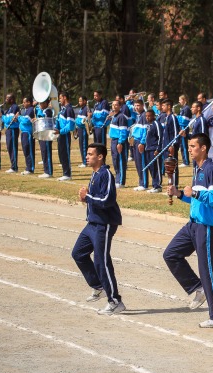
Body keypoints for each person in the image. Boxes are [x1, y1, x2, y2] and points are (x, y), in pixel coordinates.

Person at [163, 133, 213, 328]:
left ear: (203, 148)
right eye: (189, 146)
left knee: (206, 270)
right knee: (171, 254)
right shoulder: (197, 169)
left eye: (192, 146)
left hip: (207, 227)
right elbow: (195, 198)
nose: (189, 149)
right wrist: (180, 194)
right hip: (192, 224)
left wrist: (196, 192)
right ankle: (196, 287)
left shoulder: (211, 169)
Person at [72, 142, 125, 315]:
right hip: (92, 223)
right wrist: (87, 197)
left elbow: (107, 200)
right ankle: (98, 286)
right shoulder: (94, 174)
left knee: (101, 261)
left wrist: (87, 197)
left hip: (105, 224)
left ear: (100, 157)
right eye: (87, 154)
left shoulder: (105, 174)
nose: (86, 157)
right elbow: (96, 198)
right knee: (78, 253)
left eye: (90, 154)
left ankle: (115, 301)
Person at [107, 99, 130, 188]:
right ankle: (117, 179)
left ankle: (121, 181)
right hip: (113, 140)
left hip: (118, 141)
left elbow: (123, 131)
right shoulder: (113, 116)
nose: (114, 106)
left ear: (120, 106)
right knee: (115, 160)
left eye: (116, 105)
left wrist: (120, 142)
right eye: (113, 104)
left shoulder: (121, 117)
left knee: (120, 161)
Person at [56, 92, 76, 181]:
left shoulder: (69, 109)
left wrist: (61, 131)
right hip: (60, 134)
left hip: (65, 135)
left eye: (60, 98)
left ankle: (67, 174)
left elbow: (70, 125)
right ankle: (64, 173)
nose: (59, 100)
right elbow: (59, 121)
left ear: (64, 98)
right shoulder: (62, 109)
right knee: (61, 154)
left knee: (65, 154)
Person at [36, 100, 54, 178]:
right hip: (42, 133)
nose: (40, 105)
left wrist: (37, 117)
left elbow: (45, 119)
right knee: (43, 152)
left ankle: (49, 171)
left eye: (41, 103)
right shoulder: (42, 110)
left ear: (46, 104)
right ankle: (46, 170)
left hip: (46, 134)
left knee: (47, 152)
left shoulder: (48, 111)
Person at [2, 94, 20, 173]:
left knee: (13, 147)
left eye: (7, 98)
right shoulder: (10, 108)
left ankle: (14, 167)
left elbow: (9, 119)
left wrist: (2, 117)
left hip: (13, 129)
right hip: (9, 129)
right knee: (9, 147)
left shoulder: (15, 107)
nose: (6, 100)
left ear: (12, 99)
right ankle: (12, 165)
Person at [18, 97, 36, 175]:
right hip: (24, 132)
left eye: (24, 102)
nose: (23, 104)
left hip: (28, 132)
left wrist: (18, 117)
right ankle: (28, 167)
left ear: (29, 102)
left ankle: (30, 168)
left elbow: (26, 120)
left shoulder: (31, 109)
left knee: (29, 150)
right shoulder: (26, 110)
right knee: (25, 150)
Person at [75, 96, 90, 168]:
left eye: (81, 101)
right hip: (80, 129)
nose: (79, 102)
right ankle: (83, 161)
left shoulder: (86, 108)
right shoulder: (81, 109)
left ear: (85, 101)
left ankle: (85, 162)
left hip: (83, 129)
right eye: (79, 101)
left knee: (84, 145)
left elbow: (87, 119)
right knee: (81, 145)